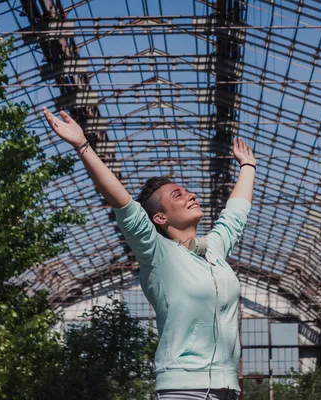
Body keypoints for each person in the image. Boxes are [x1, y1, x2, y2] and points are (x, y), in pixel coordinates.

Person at [42, 106, 256, 400]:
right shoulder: (157, 254)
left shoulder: (214, 249)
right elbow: (124, 205)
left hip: (228, 389)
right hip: (183, 390)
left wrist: (247, 166)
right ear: (160, 219)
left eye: (187, 191)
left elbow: (236, 214)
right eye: (177, 195)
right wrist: (82, 146)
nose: (190, 195)